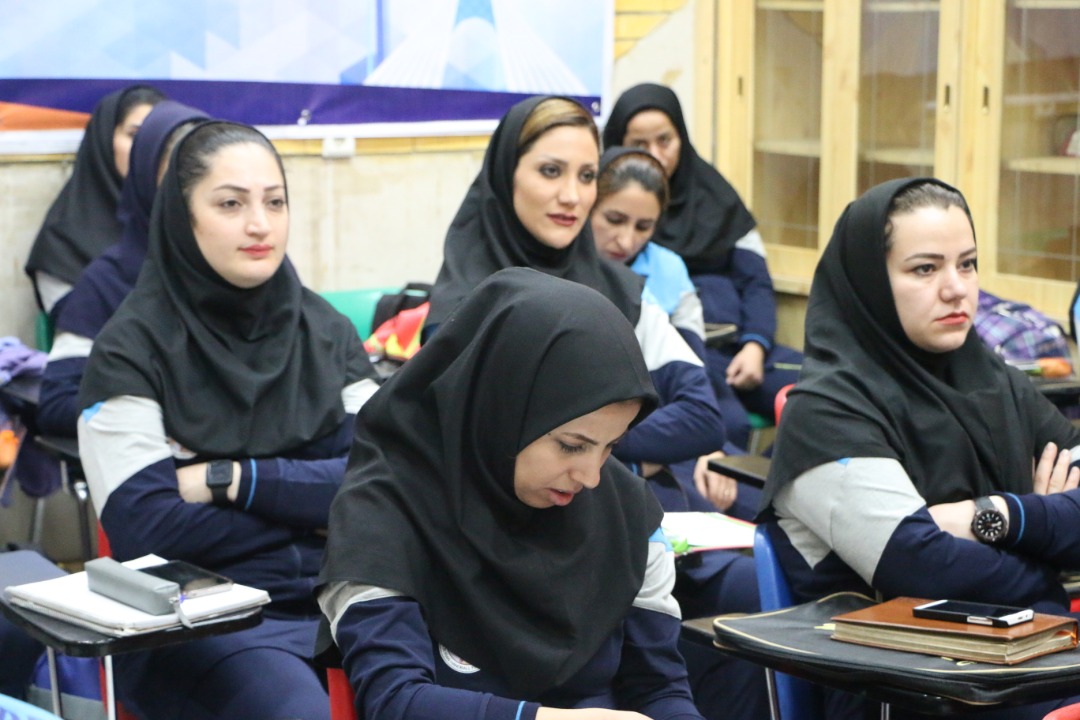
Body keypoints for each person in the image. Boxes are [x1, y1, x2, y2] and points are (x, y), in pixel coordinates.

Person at [427, 96, 766, 720]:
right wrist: (619, 451)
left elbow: (701, 415)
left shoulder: (620, 291)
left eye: (586, 175)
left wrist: (595, 446)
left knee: (757, 610)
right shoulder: (464, 307)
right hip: (504, 565)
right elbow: (463, 451)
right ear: (506, 175)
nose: (571, 196)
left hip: (635, 534)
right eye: (550, 171)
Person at [77, 121, 380, 720]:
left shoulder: (328, 333)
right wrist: (309, 518)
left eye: (275, 202)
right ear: (181, 217)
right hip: (201, 616)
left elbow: (382, 485)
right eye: (230, 204)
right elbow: (149, 529)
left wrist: (230, 479)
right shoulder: (129, 350)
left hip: (342, 596)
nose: (260, 224)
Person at [318, 267, 705, 720]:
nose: (591, 477)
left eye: (610, 447)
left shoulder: (627, 515)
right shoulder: (383, 515)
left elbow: (660, 690)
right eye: (572, 445)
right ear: (500, 410)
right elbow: (395, 702)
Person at [761, 177, 1080, 719]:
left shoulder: (995, 382)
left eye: (968, 264)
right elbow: (921, 566)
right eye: (925, 269)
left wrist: (998, 515)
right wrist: (1049, 553)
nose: (956, 289)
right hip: (905, 684)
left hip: (1030, 652)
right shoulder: (825, 412)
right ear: (870, 281)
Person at [603, 83, 803, 449]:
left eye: (665, 140)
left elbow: (756, 281)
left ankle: (774, 476)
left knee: (819, 392)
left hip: (741, 345)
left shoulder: (716, 196)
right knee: (727, 424)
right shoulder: (612, 216)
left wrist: (755, 344)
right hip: (684, 352)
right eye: (640, 144)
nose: (656, 155)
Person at [37, 100, 208, 436]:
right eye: (181, 182)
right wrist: (167, 415)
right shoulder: (109, 281)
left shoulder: (261, 273)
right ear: (148, 181)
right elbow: (58, 402)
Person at [25, 85, 166, 315]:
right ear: (104, 140)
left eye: (156, 136)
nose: (146, 147)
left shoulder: (180, 219)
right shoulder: (63, 242)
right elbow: (82, 325)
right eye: (134, 135)